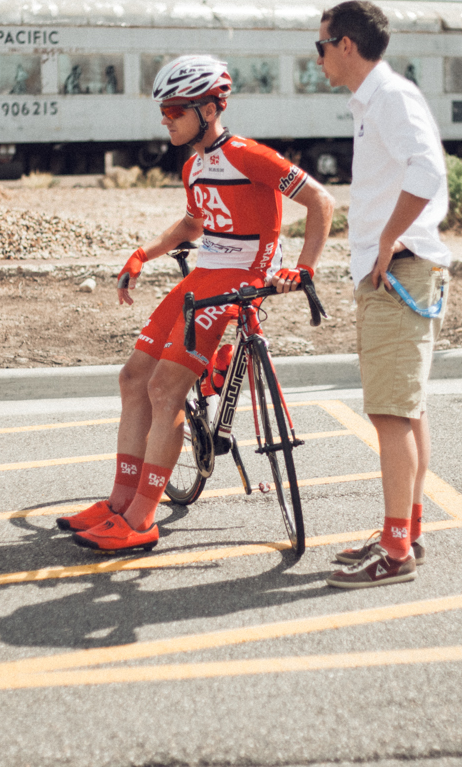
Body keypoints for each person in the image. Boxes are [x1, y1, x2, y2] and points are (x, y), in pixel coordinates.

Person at [56, 55, 336, 551]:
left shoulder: (250, 156)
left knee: (165, 388)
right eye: (163, 111)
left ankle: (141, 520)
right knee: (132, 377)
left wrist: (304, 268)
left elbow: (320, 201)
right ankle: (120, 502)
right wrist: (144, 253)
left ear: (209, 108)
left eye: (175, 110)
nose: (166, 119)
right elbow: (193, 226)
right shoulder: (193, 163)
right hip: (203, 275)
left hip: (238, 280)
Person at [315, 0, 450, 589]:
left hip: (397, 273)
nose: (317, 57)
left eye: (320, 46)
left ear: (346, 45)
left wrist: (389, 238)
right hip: (397, 272)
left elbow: (428, 172)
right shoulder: (376, 101)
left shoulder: (390, 98)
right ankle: (407, 530)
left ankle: (396, 553)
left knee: (390, 413)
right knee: (407, 409)